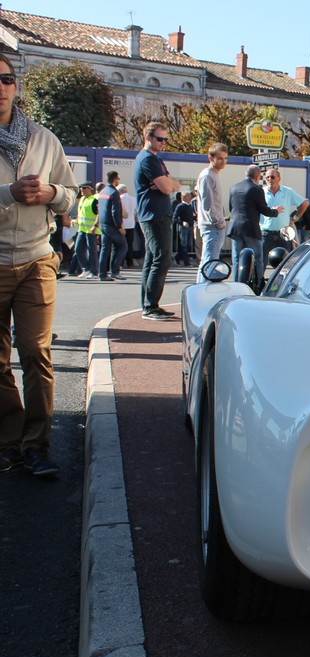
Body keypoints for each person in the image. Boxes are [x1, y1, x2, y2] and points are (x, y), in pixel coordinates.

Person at [0, 52, 78, 477]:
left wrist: (50, 192)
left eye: (6, 79)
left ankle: (37, 445)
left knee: (35, 350)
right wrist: (9, 192)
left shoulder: (44, 138)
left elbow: (71, 193)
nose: (1, 87)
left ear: (16, 86)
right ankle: (8, 441)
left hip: (36, 259)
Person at [133, 121, 180, 320]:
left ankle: (149, 304)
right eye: (160, 139)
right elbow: (168, 188)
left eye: (165, 139)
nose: (163, 143)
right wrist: (167, 182)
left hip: (154, 214)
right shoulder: (148, 160)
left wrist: (167, 181)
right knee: (162, 257)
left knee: (153, 259)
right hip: (154, 215)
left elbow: (173, 184)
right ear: (148, 138)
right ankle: (150, 306)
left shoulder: (154, 159)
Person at [227, 165, 282, 281]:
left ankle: (236, 282)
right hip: (251, 228)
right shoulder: (256, 189)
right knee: (258, 257)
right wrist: (276, 211)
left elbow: (231, 207)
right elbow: (264, 209)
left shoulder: (233, 188)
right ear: (258, 176)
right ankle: (258, 282)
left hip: (235, 228)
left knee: (237, 258)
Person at [260, 169, 307, 270]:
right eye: (267, 177)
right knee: (261, 262)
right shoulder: (261, 192)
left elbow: (304, 203)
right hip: (265, 234)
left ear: (279, 178)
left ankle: (283, 284)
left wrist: (295, 218)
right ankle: (259, 284)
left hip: (283, 234)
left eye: (272, 177)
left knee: (285, 264)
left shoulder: (287, 192)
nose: (269, 179)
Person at [195, 142, 227, 282]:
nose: (223, 161)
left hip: (213, 224)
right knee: (209, 262)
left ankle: (202, 287)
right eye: (220, 158)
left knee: (209, 261)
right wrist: (218, 222)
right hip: (211, 225)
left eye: (225, 158)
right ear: (211, 158)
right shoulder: (207, 175)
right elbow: (208, 203)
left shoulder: (212, 175)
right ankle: (202, 289)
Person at [96, 170, 127, 281]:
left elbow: (100, 209)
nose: (118, 180)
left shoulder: (103, 192)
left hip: (103, 224)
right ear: (114, 179)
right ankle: (115, 271)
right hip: (112, 225)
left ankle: (102, 274)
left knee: (105, 249)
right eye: (118, 178)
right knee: (123, 246)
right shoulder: (114, 193)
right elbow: (115, 211)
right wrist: (119, 226)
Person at [73, 183, 99, 279]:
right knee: (78, 249)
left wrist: (95, 226)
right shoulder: (83, 199)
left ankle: (94, 272)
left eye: (84, 188)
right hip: (82, 229)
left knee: (92, 251)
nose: (82, 190)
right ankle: (86, 269)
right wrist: (76, 221)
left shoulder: (94, 200)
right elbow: (80, 212)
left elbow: (98, 214)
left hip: (91, 229)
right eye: (81, 188)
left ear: (90, 189)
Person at [173, 190, 196, 266]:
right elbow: (175, 217)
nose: (190, 197)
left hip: (190, 227)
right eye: (188, 196)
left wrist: (195, 218)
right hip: (183, 228)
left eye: (190, 195)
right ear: (183, 197)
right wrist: (182, 222)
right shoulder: (180, 206)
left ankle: (177, 257)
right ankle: (186, 263)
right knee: (184, 244)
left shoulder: (190, 206)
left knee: (187, 244)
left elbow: (191, 216)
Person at [118, 184, 137, 268]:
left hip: (122, 224)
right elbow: (136, 211)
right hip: (131, 224)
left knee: (121, 244)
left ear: (120, 191)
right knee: (129, 243)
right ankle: (130, 262)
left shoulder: (120, 199)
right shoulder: (134, 199)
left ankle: (120, 262)